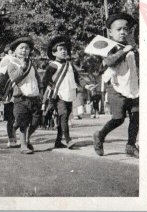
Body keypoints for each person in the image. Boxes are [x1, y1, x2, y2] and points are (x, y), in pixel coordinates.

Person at [93, 13, 140, 159]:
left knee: (136, 115)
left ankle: (131, 145)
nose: (123, 32)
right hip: (115, 87)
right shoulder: (107, 45)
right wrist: (123, 51)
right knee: (118, 118)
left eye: (125, 29)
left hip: (132, 86)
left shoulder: (131, 46)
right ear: (110, 32)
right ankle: (100, 135)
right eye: (118, 29)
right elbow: (107, 62)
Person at [0, 37, 43, 155]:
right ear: (15, 51)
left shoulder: (32, 64)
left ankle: (26, 138)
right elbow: (13, 78)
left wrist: (41, 90)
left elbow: (37, 78)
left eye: (27, 48)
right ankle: (23, 145)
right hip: (20, 97)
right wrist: (21, 67)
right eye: (21, 48)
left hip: (34, 96)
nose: (24, 50)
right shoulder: (12, 64)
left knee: (36, 122)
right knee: (23, 123)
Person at [42, 35, 83, 150]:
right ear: (54, 53)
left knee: (63, 117)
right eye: (60, 50)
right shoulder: (52, 65)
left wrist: (86, 85)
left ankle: (58, 141)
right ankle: (68, 140)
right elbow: (45, 81)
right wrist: (46, 94)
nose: (64, 51)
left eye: (65, 49)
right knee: (63, 115)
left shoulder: (69, 64)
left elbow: (77, 78)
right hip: (57, 95)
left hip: (69, 94)